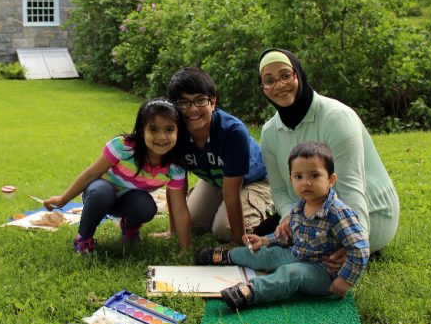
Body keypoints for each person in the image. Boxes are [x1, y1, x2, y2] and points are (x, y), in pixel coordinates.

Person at [256, 48, 400, 259]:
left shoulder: (336, 117)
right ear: (262, 87)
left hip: (371, 211)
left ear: (298, 74)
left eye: (286, 75)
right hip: (313, 211)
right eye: (269, 80)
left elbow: (351, 189)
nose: (279, 85)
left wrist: (355, 245)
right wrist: (287, 216)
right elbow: (278, 189)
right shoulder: (270, 132)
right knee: (261, 237)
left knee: (296, 258)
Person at [196, 141, 370, 310]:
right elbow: (288, 235)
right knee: (265, 254)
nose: (306, 182)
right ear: (291, 179)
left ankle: (250, 291)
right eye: (299, 177)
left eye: (314, 175)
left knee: (291, 273)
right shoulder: (299, 207)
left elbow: (360, 248)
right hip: (297, 255)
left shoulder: (338, 212)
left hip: (324, 273)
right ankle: (226, 256)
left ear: (331, 179)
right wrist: (265, 240)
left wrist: (345, 280)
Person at [44, 98, 192, 253]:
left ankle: (129, 228)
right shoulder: (123, 147)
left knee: (147, 207)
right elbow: (91, 174)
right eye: (153, 129)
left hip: (128, 202)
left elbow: (179, 209)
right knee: (101, 192)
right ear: (142, 130)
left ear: (178, 131)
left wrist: (185, 251)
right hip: (98, 195)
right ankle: (84, 238)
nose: (162, 137)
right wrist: (63, 199)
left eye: (169, 130)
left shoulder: (175, 166)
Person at [163, 67, 272, 245]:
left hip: (256, 180)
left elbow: (231, 192)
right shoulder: (174, 132)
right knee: (191, 224)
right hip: (217, 180)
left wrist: (237, 241)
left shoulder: (233, 132)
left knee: (223, 230)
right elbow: (176, 184)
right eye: (183, 103)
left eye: (200, 100)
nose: (193, 109)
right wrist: (173, 230)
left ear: (212, 102)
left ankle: (268, 207)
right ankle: (216, 206)